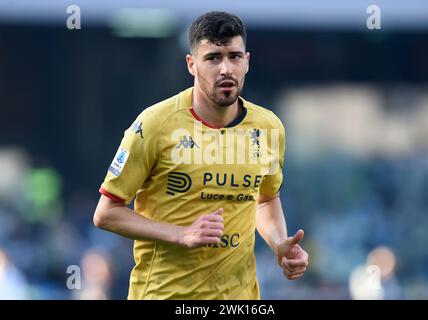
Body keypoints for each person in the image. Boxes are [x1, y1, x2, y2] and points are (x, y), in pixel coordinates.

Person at [93, 11, 308, 300]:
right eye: (213, 58)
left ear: (247, 61)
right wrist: (180, 234)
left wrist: (279, 243)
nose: (226, 69)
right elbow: (106, 214)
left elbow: (265, 198)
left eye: (234, 56)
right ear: (192, 64)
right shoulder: (155, 124)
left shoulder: (269, 127)